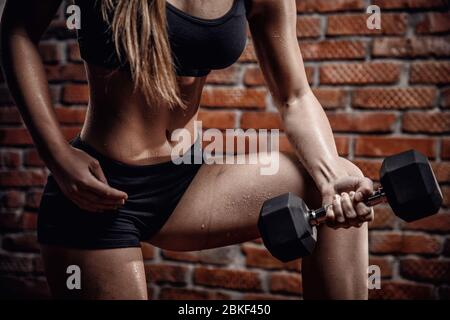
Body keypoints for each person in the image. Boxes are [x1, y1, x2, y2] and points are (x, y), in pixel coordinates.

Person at [0, 0, 374, 299]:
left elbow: (294, 96)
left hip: (187, 181)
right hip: (98, 187)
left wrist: (331, 178)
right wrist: (57, 156)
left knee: (343, 181)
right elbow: (17, 30)